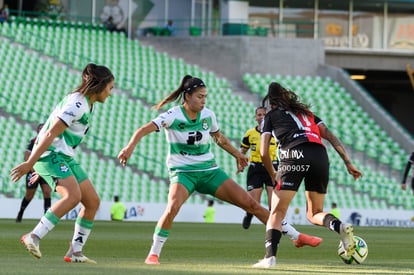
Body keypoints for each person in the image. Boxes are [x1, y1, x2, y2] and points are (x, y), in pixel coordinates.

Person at [10, 63, 114, 264]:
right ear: (99, 86)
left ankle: (75, 251)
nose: (110, 94)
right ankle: (34, 236)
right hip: (50, 155)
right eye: (110, 88)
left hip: (62, 157)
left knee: (92, 201)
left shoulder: (86, 103)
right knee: (73, 196)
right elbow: (49, 133)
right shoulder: (77, 104)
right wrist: (32, 162)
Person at [253, 82, 363, 269]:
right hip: (320, 156)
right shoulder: (307, 114)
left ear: (271, 103)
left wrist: (273, 174)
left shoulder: (270, 116)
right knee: (315, 213)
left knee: (277, 213)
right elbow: (330, 136)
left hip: (294, 155)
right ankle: (340, 226)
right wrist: (348, 162)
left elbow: (264, 153)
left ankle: (269, 259)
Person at [240, 106, 322, 248]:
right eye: (258, 114)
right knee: (253, 203)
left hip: (273, 168)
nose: (261, 117)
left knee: (274, 207)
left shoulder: (275, 133)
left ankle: (278, 234)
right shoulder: (250, 134)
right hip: (256, 168)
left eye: (263, 114)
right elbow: (243, 150)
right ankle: (249, 215)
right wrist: (241, 161)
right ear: (255, 117)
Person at [16, 123, 52, 223]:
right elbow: (26, 155)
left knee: (47, 192)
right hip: (33, 171)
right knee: (29, 195)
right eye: (39, 128)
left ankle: (46, 217)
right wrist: (31, 168)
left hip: (45, 171)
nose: (41, 130)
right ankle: (21, 212)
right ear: (37, 130)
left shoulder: (51, 141)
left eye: (43, 128)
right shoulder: (33, 141)